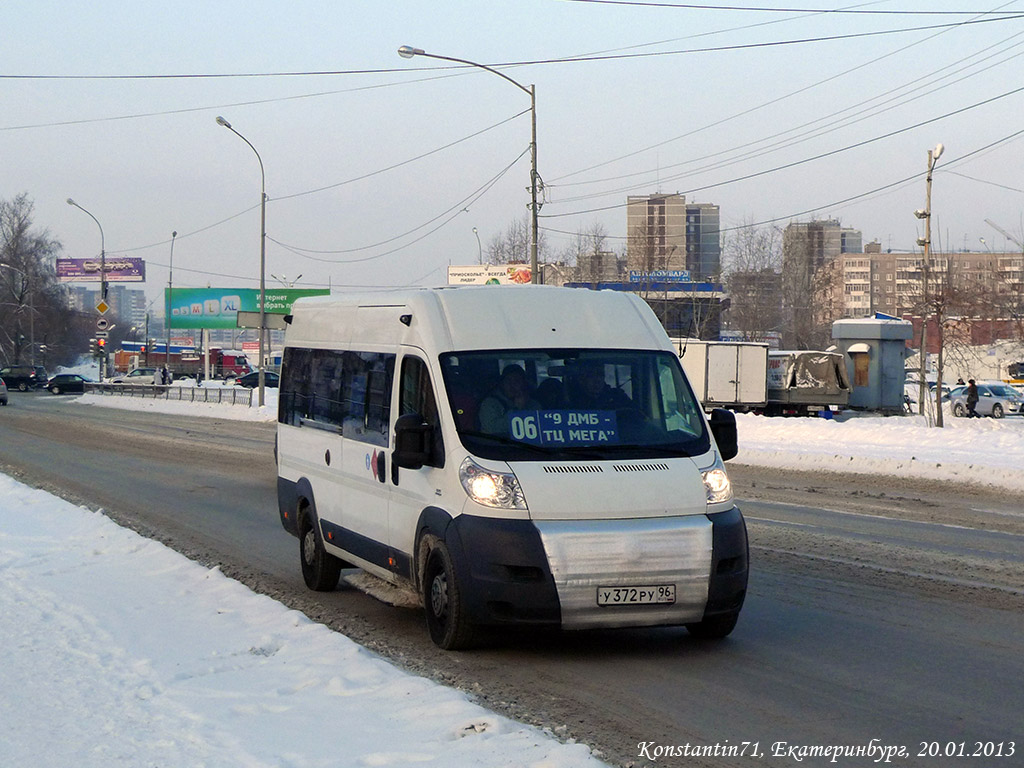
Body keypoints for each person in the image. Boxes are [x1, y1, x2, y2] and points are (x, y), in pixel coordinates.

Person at [478, 364, 540, 435]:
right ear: (502, 383)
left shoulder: (533, 405)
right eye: (508, 381)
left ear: (523, 383)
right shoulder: (490, 403)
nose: (511, 385)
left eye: (516, 381)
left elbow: (540, 425)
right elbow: (492, 429)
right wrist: (517, 409)